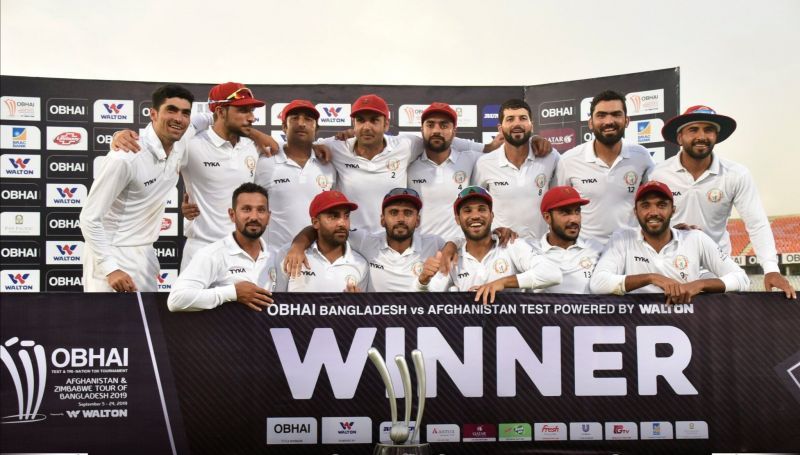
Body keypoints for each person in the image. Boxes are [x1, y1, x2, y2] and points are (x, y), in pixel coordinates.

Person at [651, 105, 795, 299]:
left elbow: (756, 223)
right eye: (693, 129)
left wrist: (771, 269)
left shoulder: (736, 174)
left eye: (708, 130)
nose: (701, 136)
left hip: (715, 269)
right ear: (679, 137)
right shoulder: (659, 174)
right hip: (668, 266)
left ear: (716, 136)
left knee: (714, 328)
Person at [81, 84, 194, 292]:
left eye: (185, 113)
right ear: (153, 114)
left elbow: (214, 120)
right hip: (113, 255)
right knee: (105, 325)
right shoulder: (125, 157)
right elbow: (89, 218)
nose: (179, 118)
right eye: (171, 110)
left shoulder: (180, 143)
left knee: (144, 324)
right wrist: (110, 268)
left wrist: (262, 137)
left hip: (145, 254)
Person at [590, 181, 750, 303]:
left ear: (673, 210)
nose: (653, 212)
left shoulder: (695, 238)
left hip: (686, 327)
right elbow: (598, 284)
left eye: (661, 205)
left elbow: (742, 279)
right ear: (635, 211)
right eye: (645, 205)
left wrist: (699, 285)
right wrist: (652, 277)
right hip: (636, 328)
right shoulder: (623, 239)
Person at [283, 188, 444, 291]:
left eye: (408, 213)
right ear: (382, 219)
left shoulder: (435, 244)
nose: (401, 219)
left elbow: (459, 246)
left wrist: (450, 247)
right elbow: (323, 230)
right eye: (394, 212)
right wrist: (298, 246)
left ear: (418, 220)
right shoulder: (365, 242)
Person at [179, 82, 266, 271]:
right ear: (220, 111)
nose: (251, 117)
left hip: (242, 250)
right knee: (191, 301)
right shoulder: (191, 144)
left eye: (251, 110)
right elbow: (156, 146)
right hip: (201, 249)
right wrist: (122, 135)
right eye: (243, 110)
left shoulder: (254, 146)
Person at [416, 186, 560, 296]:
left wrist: (502, 283)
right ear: (457, 219)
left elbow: (552, 274)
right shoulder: (452, 257)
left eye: (482, 209)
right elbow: (427, 299)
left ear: (491, 216)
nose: (475, 216)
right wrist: (423, 281)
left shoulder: (510, 244)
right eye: (467, 211)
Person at [555, 90, 655, 244]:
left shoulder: (641, 156)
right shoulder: (569, 160)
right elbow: (559, 209)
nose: (609, 121)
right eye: (601, 115)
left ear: (627, 120)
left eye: (616, 114)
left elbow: (655, 202)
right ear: (590, 123)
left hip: (631, 247)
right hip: (585, 252)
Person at [473, 186, 604, 302]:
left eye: (577, 211)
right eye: (565, 213)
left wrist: (504, 282)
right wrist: (453, 243)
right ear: (547, 217)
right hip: (541, 327)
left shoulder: (596, 248)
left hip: (586, 326)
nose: (574, 219)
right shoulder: (528, 248)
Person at [168, 183, 275, 312]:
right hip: (222, 331)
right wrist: (232, 293)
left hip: (268, 331)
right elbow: (176, 300)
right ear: (232, 215)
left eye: (261, 210)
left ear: (268, 217)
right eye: (246, 209)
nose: (254, 217)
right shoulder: (211, 255)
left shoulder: (276, 256)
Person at [255, 99, 337, 253]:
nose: (301, 123)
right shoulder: (264, 161)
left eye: (308, 119)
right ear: (284, 126)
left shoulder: (328, 166)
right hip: (273, 257)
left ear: (316, 128)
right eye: (294, 118)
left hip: (316, 258)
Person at [472, 99, 560, 240]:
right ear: (500, 128)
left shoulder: (550, 157)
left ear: (532, 126)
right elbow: (474, 207)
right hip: (501, 250)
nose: (517, 123)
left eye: (523, 118)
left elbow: (559, 201)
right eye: (510, 119)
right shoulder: (485, 163)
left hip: (541, 249)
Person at [408, 103, 485, 240]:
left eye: (444, 125)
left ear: (454, 131)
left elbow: (506, 152)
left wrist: (533, 141)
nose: (436, 131)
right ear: (422, 129)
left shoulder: (472, 159)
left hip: (460, 250)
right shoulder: (408, 165)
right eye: (430, 125)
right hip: (420, 251)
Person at [273, 190, 369, 292]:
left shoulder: (361, 264)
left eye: (346, 216)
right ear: (315, 222)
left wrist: (355, 305)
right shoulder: (290, 254)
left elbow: (363, 306)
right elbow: (276, 301)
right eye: (333, 216)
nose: (342, 223)